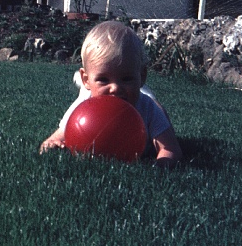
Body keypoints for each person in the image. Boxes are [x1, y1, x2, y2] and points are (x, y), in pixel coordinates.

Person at [39, 20, 183, 169]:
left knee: (157, 107)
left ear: (142, 76)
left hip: (146, 100)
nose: (115, 88)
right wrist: (52, 145)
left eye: (126, 78)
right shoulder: (82, 111)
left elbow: (171, 149)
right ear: (86, 80)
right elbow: (51, 141)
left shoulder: (149, 109)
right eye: (103, 79)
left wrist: (161, 164)